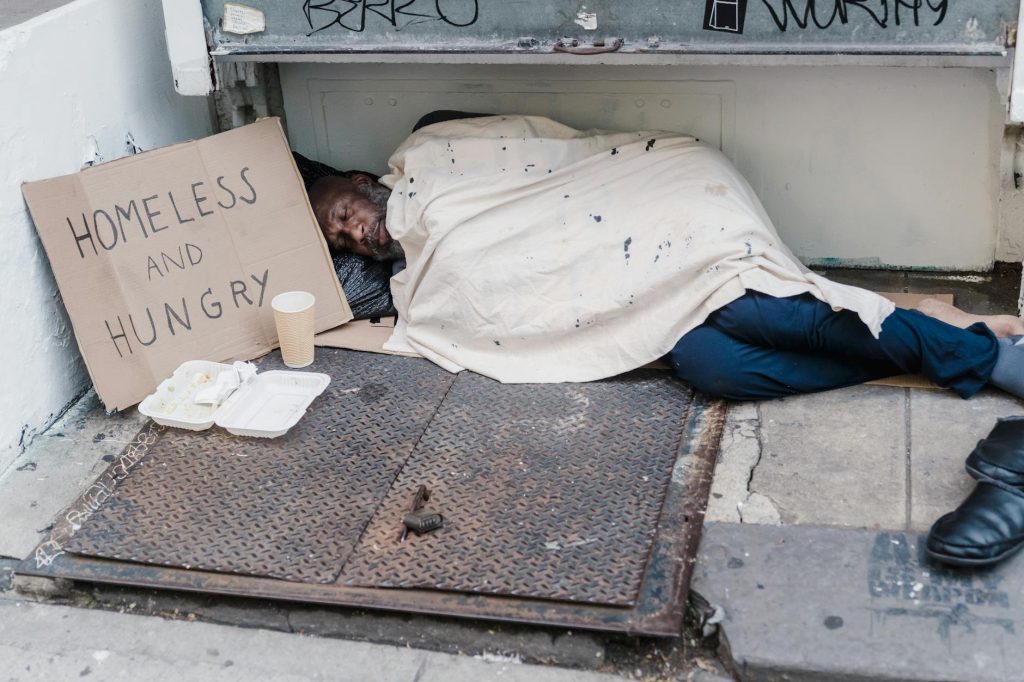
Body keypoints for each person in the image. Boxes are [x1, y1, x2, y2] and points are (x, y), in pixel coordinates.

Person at [305, 112, 1024, 566]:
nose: (350, 233)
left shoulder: (430, 158)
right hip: (631, 292)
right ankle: (931, 339)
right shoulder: (407, 286)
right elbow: (486, 294)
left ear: (364, 181)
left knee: (752, 315)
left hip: (660, 210)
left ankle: (988, 358)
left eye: (341, 211)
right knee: (711, 364)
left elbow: (543, 166)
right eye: (339, 240)